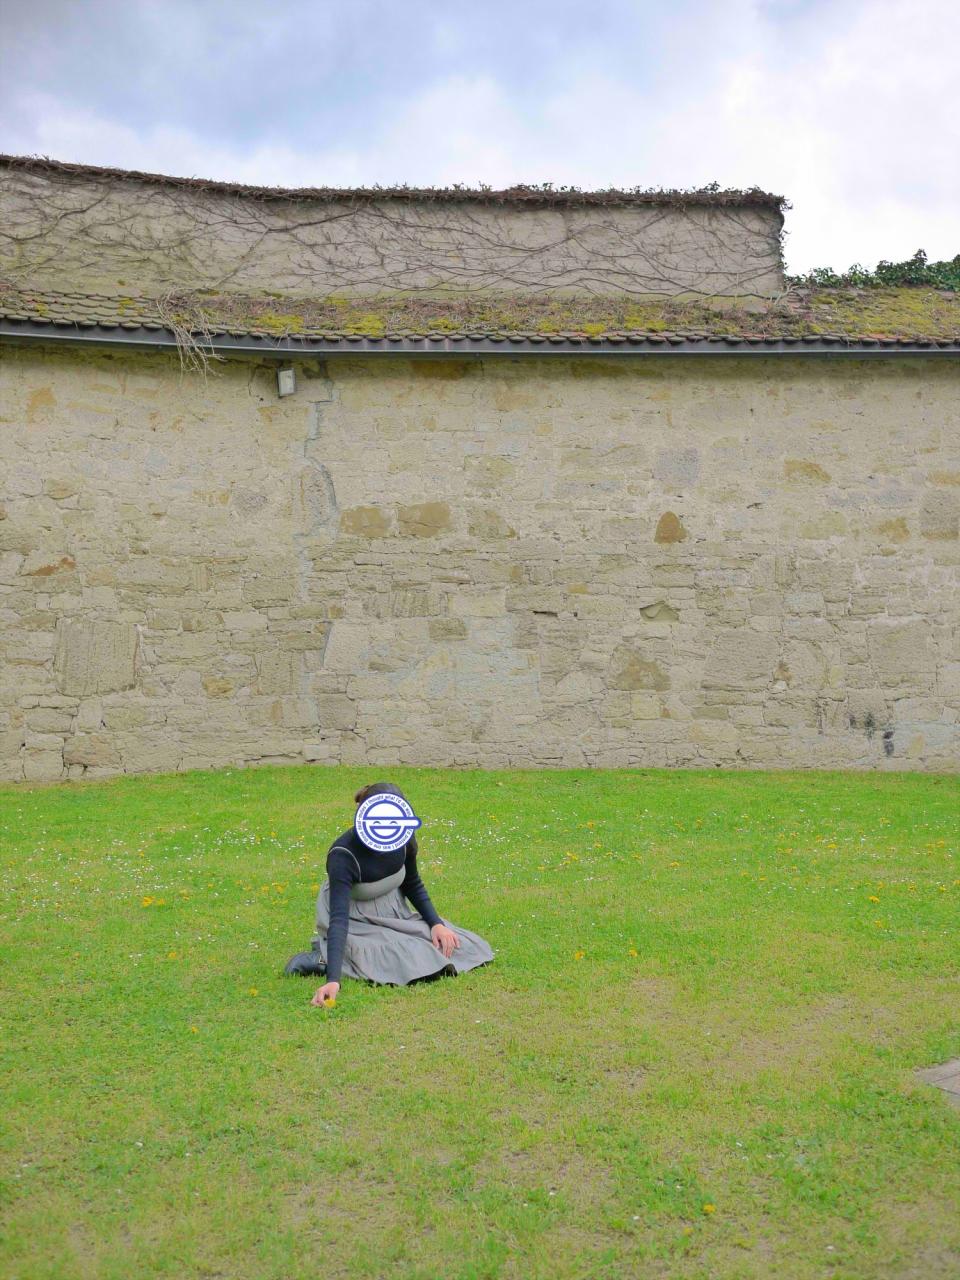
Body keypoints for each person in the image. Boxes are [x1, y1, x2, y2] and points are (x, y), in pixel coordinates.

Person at [283, 781, 494, 1004]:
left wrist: (436, 924)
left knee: (460, 945)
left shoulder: (403, 836)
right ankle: (322, 959)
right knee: (411, 955)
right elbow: (339, 919)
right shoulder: (342, 855)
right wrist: (333, 980)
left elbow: (412, 882)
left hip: (393, 911)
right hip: (356, 918)